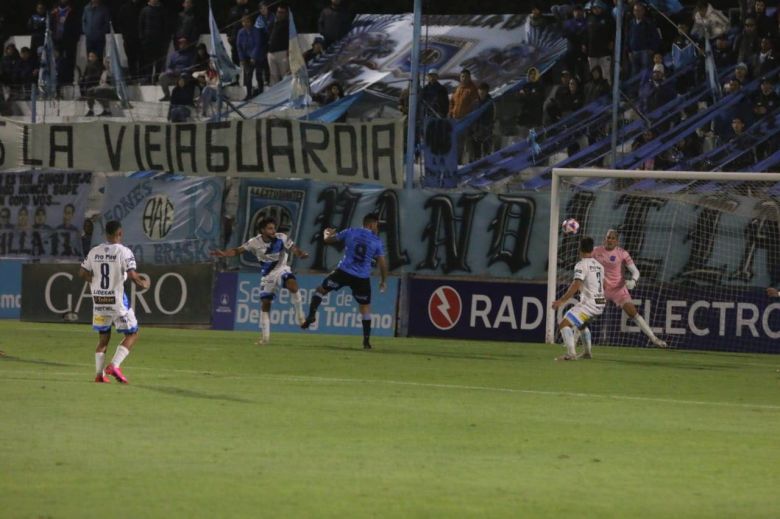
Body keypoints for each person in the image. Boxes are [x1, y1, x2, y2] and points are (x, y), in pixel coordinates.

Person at [211, 217, 308, 345]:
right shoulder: (254, 242)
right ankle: (265, 338)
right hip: (268, 276)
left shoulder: (282, 237)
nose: (273, 231)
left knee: (293, 286)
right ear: (262, 230)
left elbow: (294, 248)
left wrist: (300, 254)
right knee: (265, 304)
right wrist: (224, 253)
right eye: (270, 228)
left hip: (281, 269)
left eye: (274, 228)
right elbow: (237, 251)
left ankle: (300, 317)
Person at [301, 213, 388, 350]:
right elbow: (382, 264)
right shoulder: (376, 241)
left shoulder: (350, 231)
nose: (377, 228)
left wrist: (326, 234)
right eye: (377, 225)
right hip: (362, 278)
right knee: (365, 308)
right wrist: (383, 281)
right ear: (371, 225)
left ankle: (312, 315)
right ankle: (366, 341)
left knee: (321, 290)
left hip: (343, 272)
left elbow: (329, 240)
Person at [79, 220, 150, 384]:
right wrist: (143, 283)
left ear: (106, 234)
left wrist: (95, 282)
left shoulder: (94, 251)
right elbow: (132, 275)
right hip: (116, 301)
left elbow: (82, 273)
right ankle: (114, 365)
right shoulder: (124, 251)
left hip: (99, 301)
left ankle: (99, 375)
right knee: (132, 333)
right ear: (120, 233)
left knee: (103, 338)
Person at [592, 229, 668, 348]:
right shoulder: (596, 251)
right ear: (604, 239)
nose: (610, 240)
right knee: (591, 313)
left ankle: (654, 339)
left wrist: (634, 281)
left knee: (633, 313)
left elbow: (636, 272)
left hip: (619, 290)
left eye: (612, 238)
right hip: (602, 291)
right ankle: (574, 340)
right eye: (608, 237)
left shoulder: (622, 254)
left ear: (617, 241)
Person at [552, 236, 605, 361]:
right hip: (601, 303)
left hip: (590, 304)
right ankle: (587, 353)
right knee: (581, 324)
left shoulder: (581, 265)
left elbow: (576, 284)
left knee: (564, 323)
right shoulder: (599, 266)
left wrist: (561, 301)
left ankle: (571, 354)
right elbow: (603, 284)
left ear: (579, 249)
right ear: (592, 249)